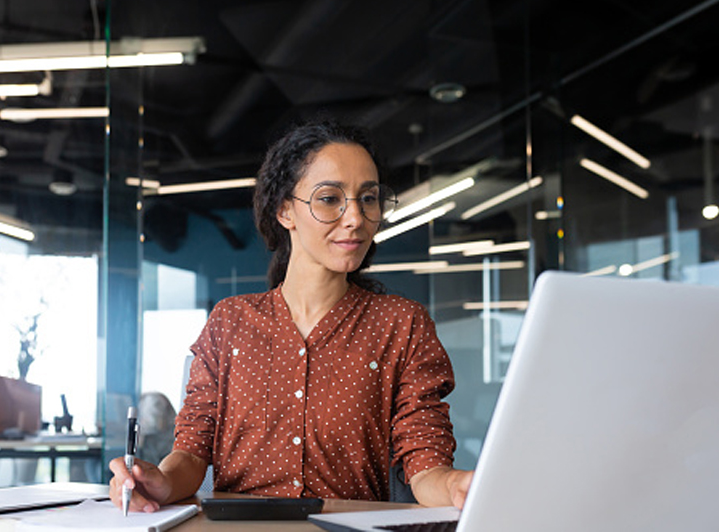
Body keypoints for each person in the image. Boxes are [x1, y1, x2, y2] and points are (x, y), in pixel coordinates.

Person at [109, 120, 473, 512]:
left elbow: (425, 463)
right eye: (330, 198)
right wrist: (160, 482)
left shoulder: (401, 325)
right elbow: (192, 455)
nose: (356, 218)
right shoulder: (230, 322)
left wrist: (458, 486)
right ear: (285, 210)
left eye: (368, 198)